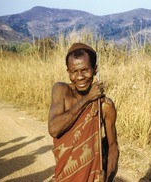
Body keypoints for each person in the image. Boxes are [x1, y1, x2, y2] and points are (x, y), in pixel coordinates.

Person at [48, 42, 119, 182]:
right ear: (68, 71)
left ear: (95, 69)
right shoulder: (61, 91)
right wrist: (87, 99)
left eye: (85, 70)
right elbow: (54, 129)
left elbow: (113, 146)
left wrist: (108, 178)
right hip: (64, 177)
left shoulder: (104, 105)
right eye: (74, 71)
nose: (79, 77)